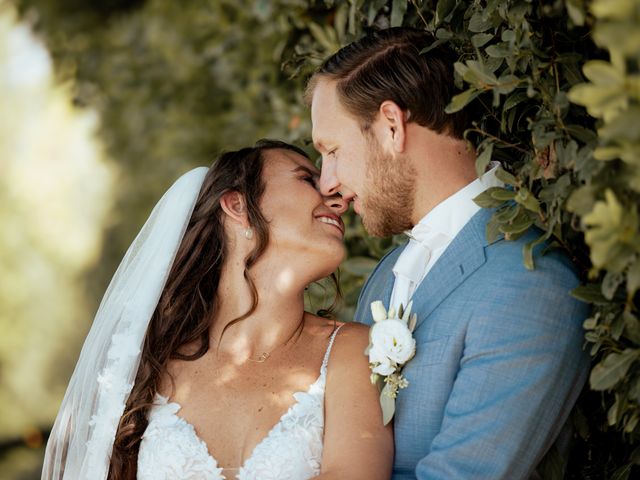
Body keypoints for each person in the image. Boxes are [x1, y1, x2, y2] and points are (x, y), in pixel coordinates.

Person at [307, 28, 589, 479]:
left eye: (333, 151)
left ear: (391, 126)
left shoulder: (530, 285)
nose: (328, 184)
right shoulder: (387, 275)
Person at [42, 140, 393, 480]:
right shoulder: (148, 370)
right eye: (306, 178)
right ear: (237, 206)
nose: (337, 197)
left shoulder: (352, 351)